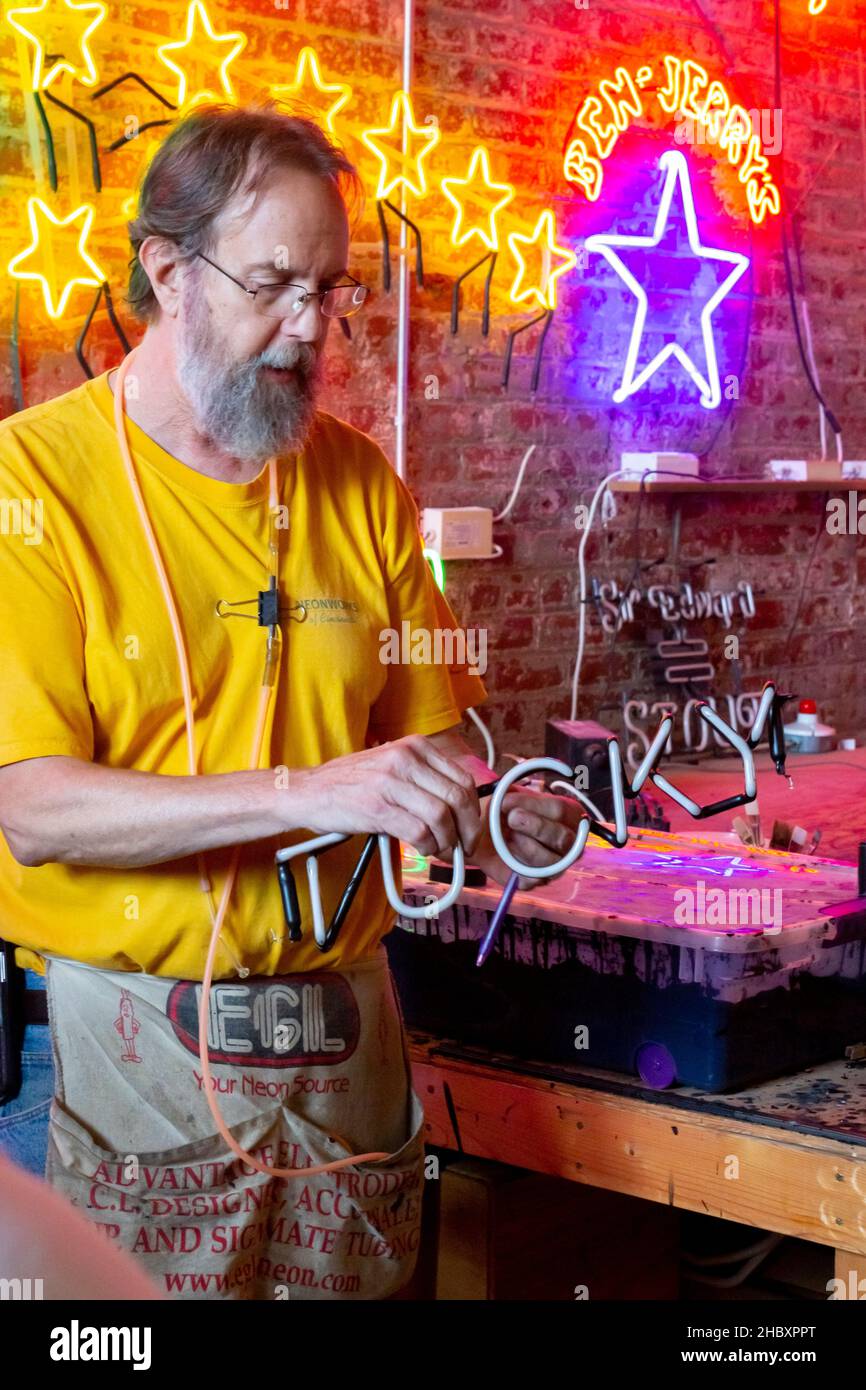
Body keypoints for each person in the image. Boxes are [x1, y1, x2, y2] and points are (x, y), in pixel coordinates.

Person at [0, 100, 583, 1300]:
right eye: (273, 283)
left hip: (346, 1054)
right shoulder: (32, 487)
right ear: (169, 271)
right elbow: (34, 809)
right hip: (125, 1057)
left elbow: (431, 750)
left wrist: (487, 814)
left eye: (331, 288)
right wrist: (313, 789)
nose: (310, 327)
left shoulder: (360, 482)